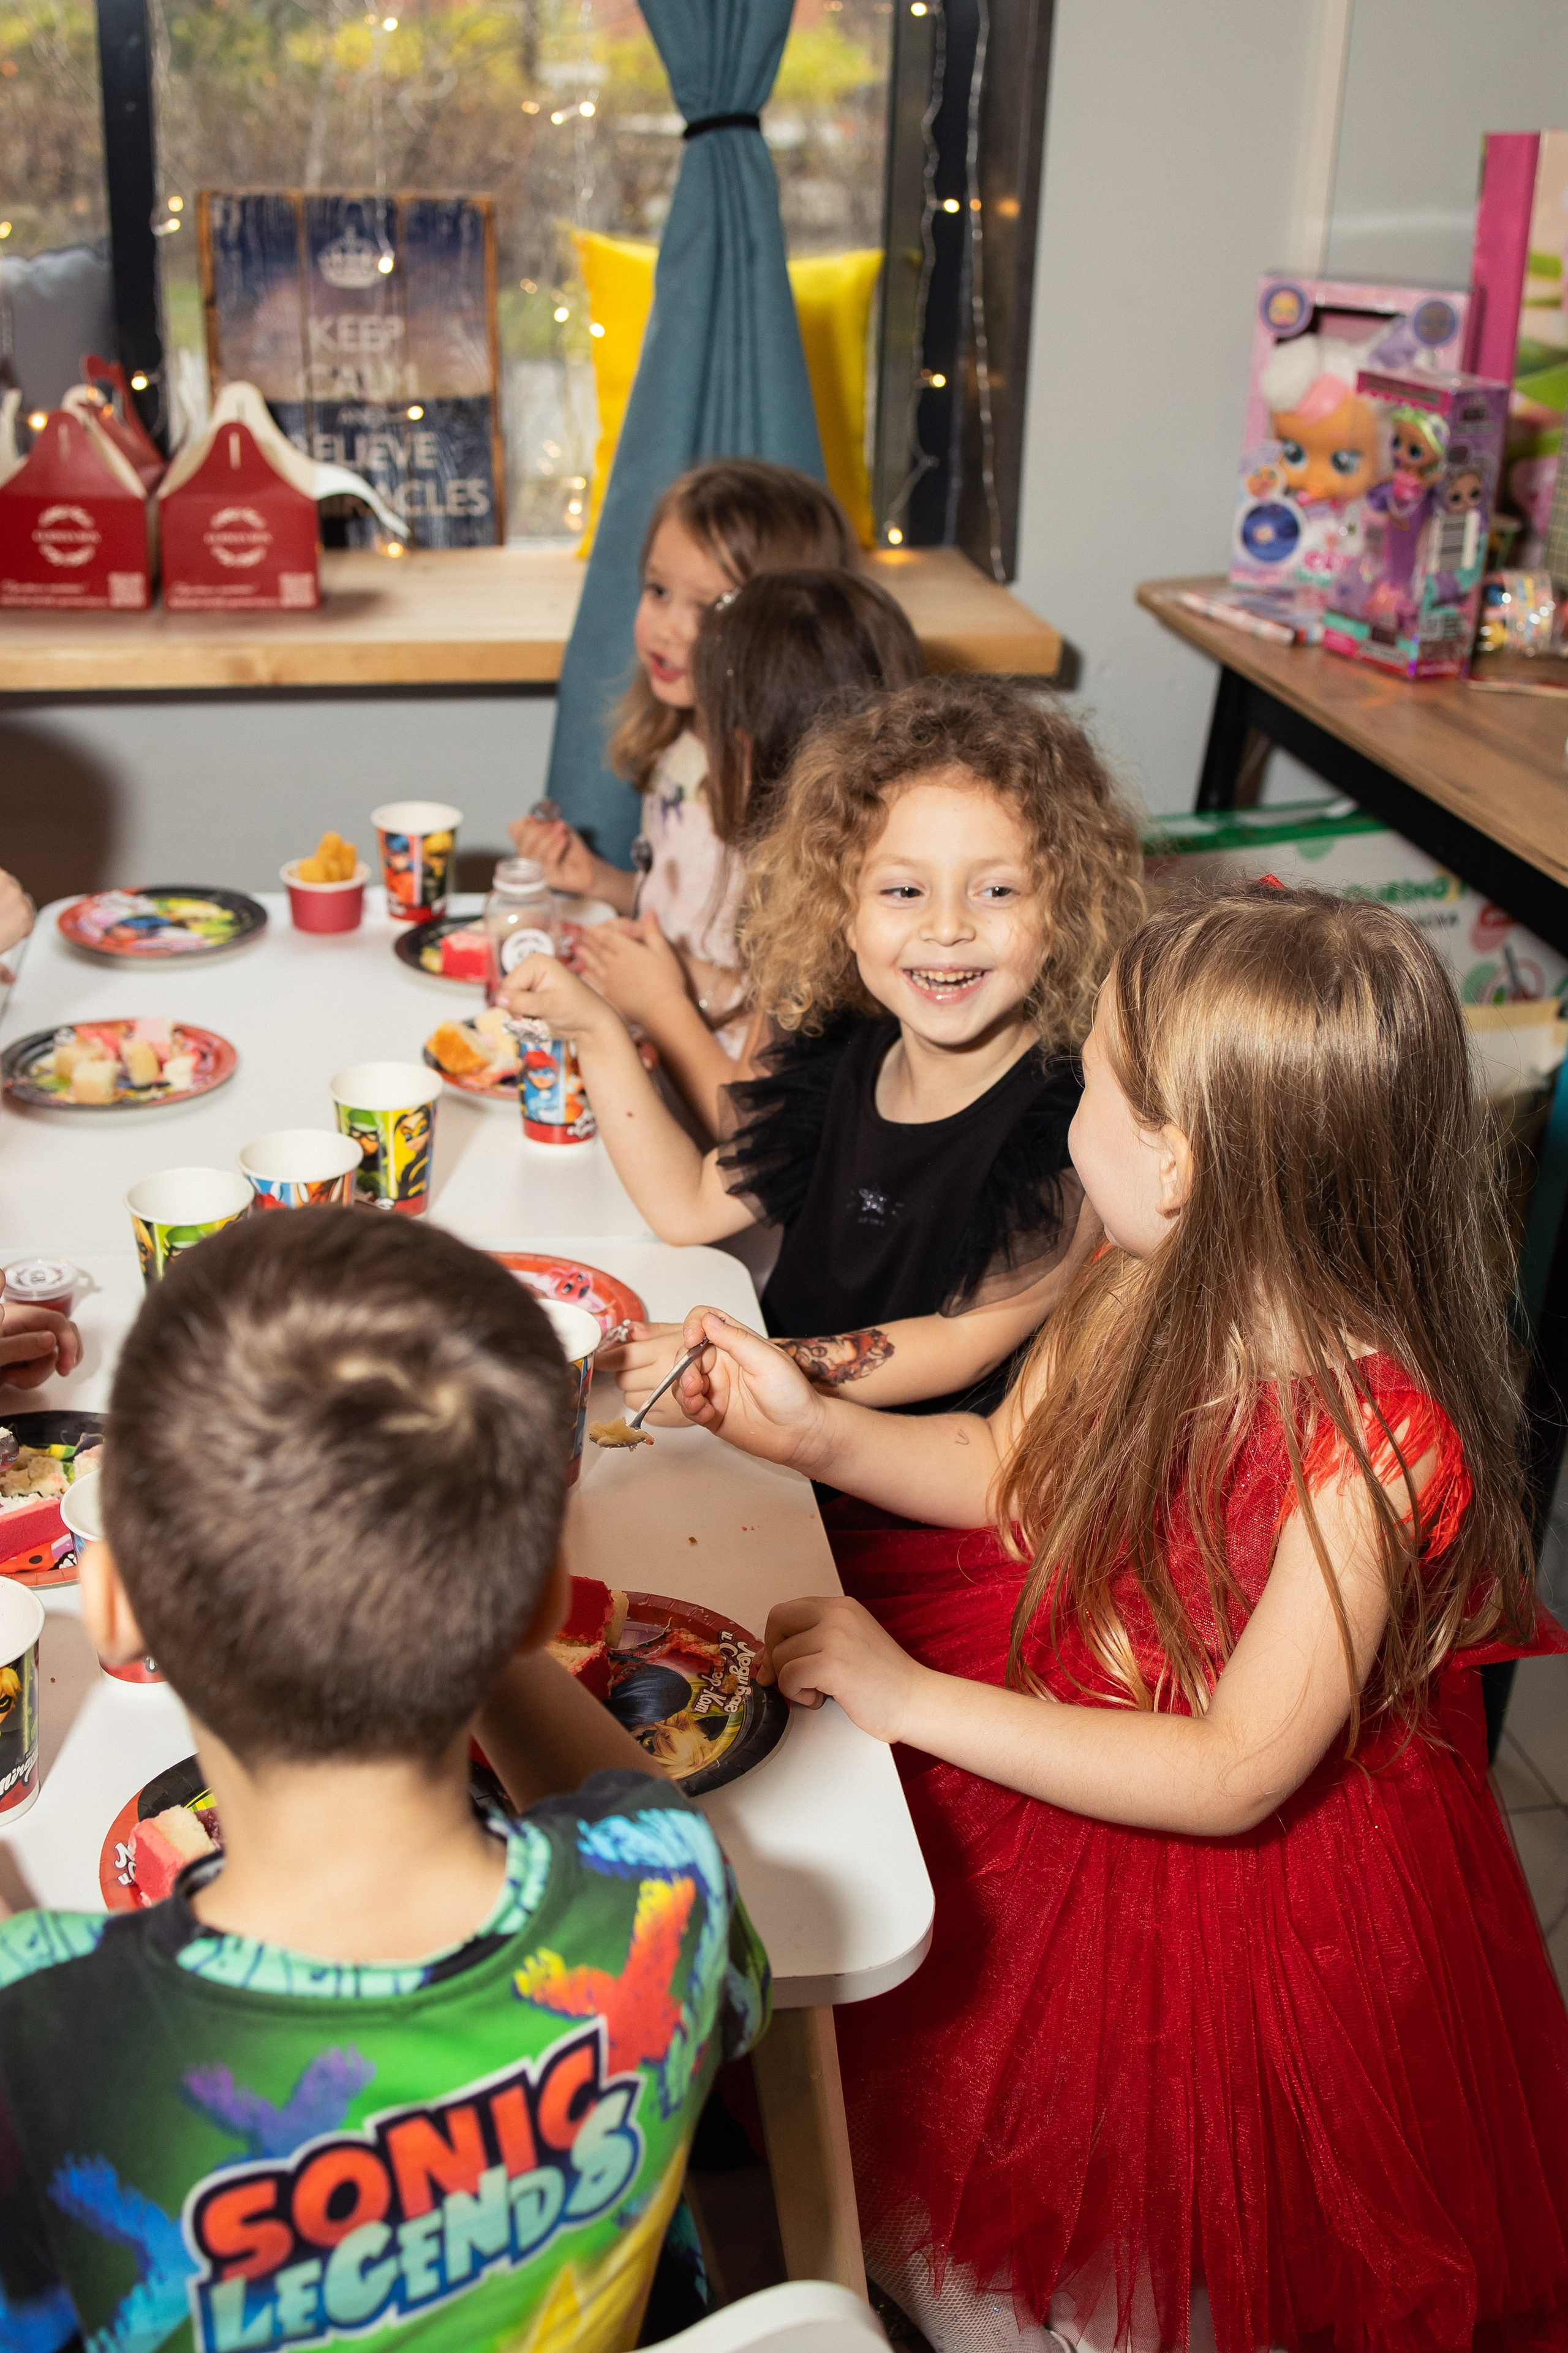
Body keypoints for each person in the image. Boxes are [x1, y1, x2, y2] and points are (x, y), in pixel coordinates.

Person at [669, 883, 1568, 2353]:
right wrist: (811, 1436)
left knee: (1117, 2226)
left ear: (1178, 1158)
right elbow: (1010, 1479)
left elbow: (1228, 1771)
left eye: (1090, 1077)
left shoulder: (1376, 1441)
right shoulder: (1134, 1270)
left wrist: (912, 1699)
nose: (1065, 1100)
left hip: (1227, 1892)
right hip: (1046, 1678)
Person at [0, 1210, 769, 2353]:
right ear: (544, 1601)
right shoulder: (666, 1902)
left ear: (119, 1614)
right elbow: (641, 1817)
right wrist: (491, 1590)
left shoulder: (47, 2036)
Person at [503, 676, 1144, 1420]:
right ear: (840, 907)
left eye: (995, 892)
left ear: (1064, 910)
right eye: (903, 892)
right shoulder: (835, 1051)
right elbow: (685, 1208)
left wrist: (738, 1364)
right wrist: (596, 1031)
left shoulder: (1068, 1127)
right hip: (760, 1435)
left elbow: (960, 1343)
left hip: (888, 1490)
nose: (946, 928)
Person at [510, 460, 859, 1054]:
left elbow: (784, 1014)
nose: (667, 628)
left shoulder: (798, 803)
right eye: (658, 590)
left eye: (708, 609)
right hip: (656, 1037)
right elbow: (682, 912)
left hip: (720, 1077)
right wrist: (598, 880)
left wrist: (667, 988)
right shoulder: (684, 748)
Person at [580, 567, 922, 1133]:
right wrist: (682, 974)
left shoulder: (848, 908)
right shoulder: (840, 865)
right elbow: (770, 1012)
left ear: (761, 748)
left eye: (711, 729)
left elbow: (749, 1135)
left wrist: (662, 1005)